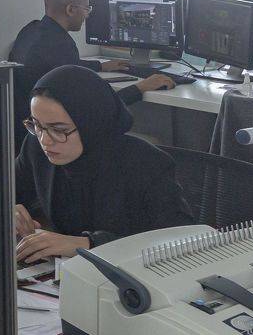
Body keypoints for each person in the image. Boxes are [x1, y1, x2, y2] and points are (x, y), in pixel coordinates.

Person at [13, 66, 194, 263]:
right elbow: (3, 191)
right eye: (37, 125)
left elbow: (180, 241)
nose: (45, 140)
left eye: (59, 130)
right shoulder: (35, 148)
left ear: (91, 123)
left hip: (131, 273)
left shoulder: (147, 164)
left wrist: (86, 245)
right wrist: (9, 210)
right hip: (63, 271)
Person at [7, 0, 176, 137]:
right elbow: (95, 108)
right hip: (56, 135)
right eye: (87, 9)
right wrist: (141, 87)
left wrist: (101, 66)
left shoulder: (31, 31)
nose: (87, 15)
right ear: (70, 10)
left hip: (27, 130)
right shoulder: (61, 45)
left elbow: (59, 65)